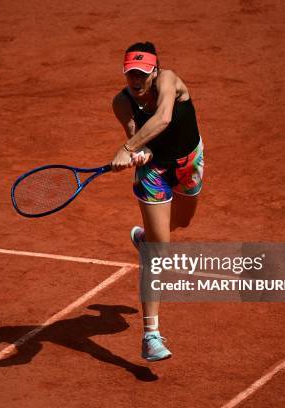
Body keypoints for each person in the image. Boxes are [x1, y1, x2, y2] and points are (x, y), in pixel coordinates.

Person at [110, 42, 204, 362]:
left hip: (189, 161)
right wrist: (138, 153)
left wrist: (128, 147)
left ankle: (146, 237)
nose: (136, 80)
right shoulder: (121, 103)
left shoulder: (170, 81)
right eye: (131, 74)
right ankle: (151, 335)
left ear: (156, 71)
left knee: (184, 220)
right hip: (154, 172)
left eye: (142, 73)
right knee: (159, 252)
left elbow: (163, 118)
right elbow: (139, 133)